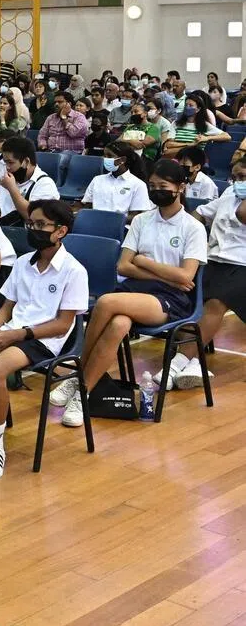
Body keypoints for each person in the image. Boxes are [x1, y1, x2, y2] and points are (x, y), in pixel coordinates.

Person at [53, 158, 207, 426]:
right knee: (118, 324)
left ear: (180, 187)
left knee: (106, 302)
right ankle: (83, 392)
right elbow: (124, 265)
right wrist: (163, 273)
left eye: (163, 185)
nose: (156, 190)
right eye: (152, 185)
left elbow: (186, 277)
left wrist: (144, 261)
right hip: (135, 290)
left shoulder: (192, 227)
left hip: (171, 300)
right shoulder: (141, 221)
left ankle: (76, 372)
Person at [0, 200, 88, 480]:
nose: (33, 229)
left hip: (44, 339)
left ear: (60, 231)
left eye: (40, 225)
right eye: (31, 224)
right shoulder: (24, 262)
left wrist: (17, 334)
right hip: (10, 330)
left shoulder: (75, 271)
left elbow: (63, 324)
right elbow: (6, 306)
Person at [189, 159, 246, 389]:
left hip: (242, 264)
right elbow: (199, 213)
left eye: (243, 176)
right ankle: (191, 358)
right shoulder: (228, 194)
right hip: (213, 259)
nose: (237, 182)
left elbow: (243, 214)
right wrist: (191, 233)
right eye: (234, 177)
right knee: (187, 291)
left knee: (215, 302)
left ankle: (183, 360)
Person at [0, 136, 60, 226]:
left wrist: (12, 189)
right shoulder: (8, 180)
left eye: (11, 163)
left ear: (26, 161)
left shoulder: (45, 184)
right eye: (5, 162)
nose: (7, 167)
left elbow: (34, 218)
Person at [82, 142, 152, 219]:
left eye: (109, 156)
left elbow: (135, 216)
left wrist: (111, 221)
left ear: (123, 160)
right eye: (104, 155)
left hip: (120, 227)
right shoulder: (97, 180)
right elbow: (87, 207)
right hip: (94, 223)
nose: (105, 159)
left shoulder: (138, 184)